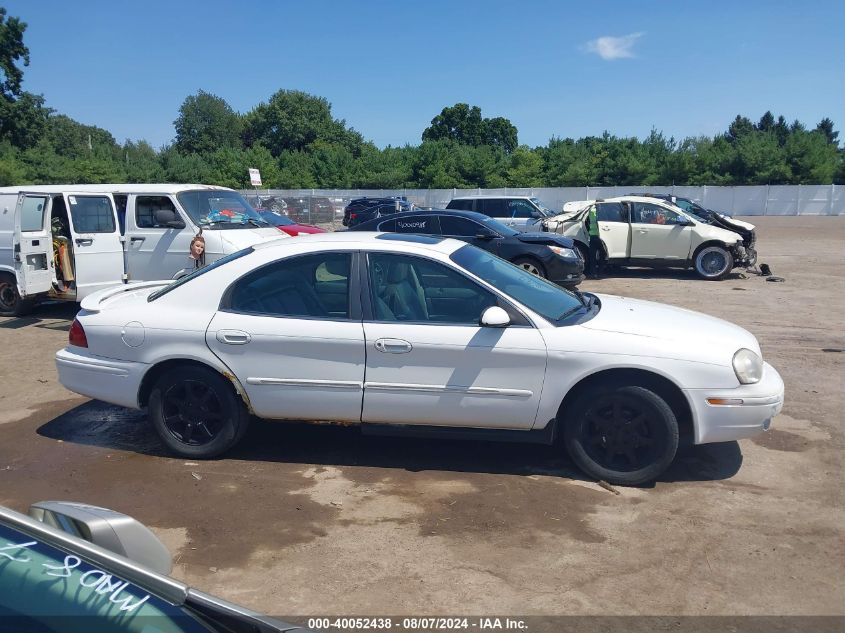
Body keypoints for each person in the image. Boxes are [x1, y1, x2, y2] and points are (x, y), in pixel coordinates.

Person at [586, 204, 604, 278]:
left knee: (592, 256)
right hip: (602, 237)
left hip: (592, 236)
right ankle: (600, 273)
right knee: (602, 255)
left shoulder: (591, 211)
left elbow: (587, 221)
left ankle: (592, 273)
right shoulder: (604, 211)